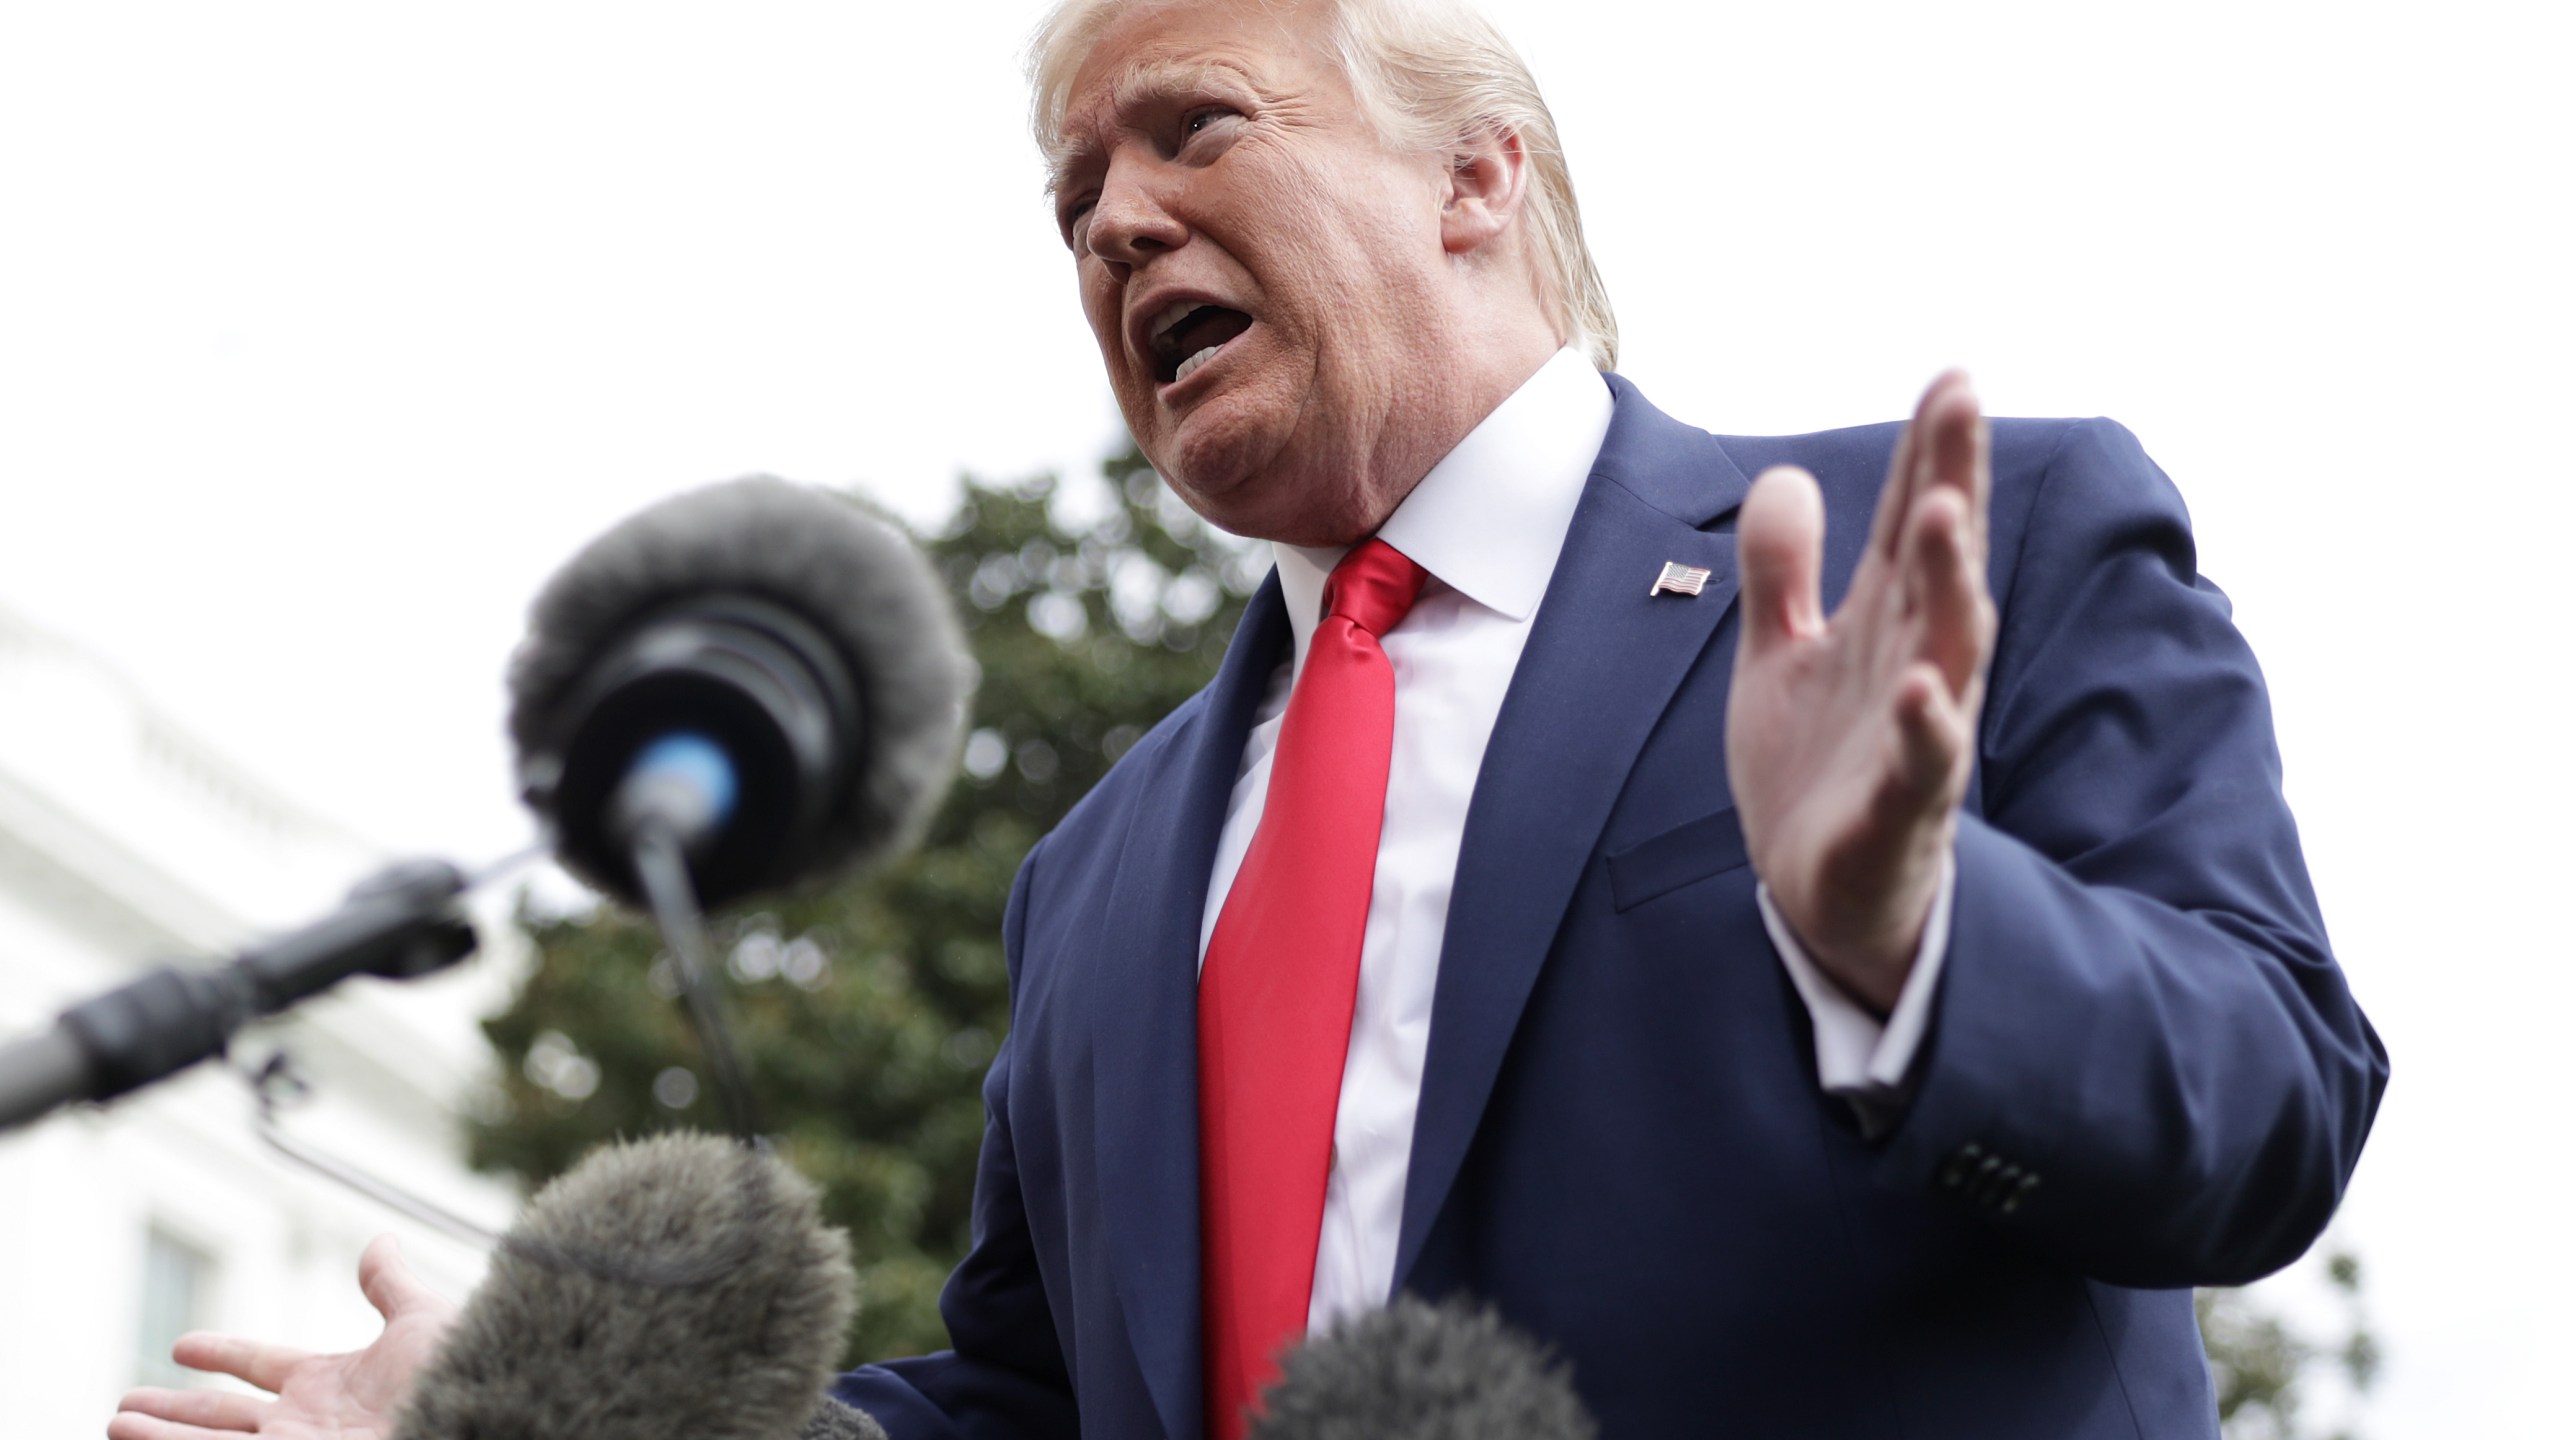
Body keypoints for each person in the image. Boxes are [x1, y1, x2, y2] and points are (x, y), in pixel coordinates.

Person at [111, 1, 2386, 1437]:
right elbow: (1019, 1403)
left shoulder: (1942, 548)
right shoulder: (1097, 878)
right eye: (1071, 203)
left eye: (1190, 126)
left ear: (1472, 171)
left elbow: (2269, 1105)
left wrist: (1908, 928)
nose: (1113, 227)